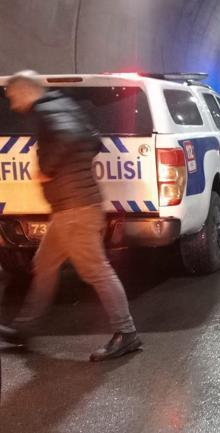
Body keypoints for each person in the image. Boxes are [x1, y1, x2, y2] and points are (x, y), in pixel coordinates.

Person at [0, 70, 141, 361]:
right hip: (70, 207)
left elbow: (68, 136)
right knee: (44, 263)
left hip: (76, 209)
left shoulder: (46, 109)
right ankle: (25, 329)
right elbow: (94, 140)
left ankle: (126, 333)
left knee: (95, 270)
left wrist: (47, 168)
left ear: (25, 90)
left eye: (13, 97)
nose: (13, 104)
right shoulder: (63, 104)